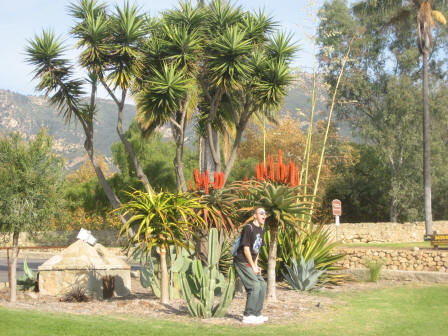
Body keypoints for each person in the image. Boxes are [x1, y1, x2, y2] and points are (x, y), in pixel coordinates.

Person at [233, 207, 268, 324]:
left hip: (251, 262)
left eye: (265, 213)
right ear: (255, 215)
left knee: (262, 284)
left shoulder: (261, 230)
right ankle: (248, 315)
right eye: (261, 213)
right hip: (242, 261)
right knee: (254, 286)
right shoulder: (248, 228)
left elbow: (257, 250)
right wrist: (252, 266)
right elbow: (246, 249)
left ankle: (257, 314)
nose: (264, 215)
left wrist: (256, 265)